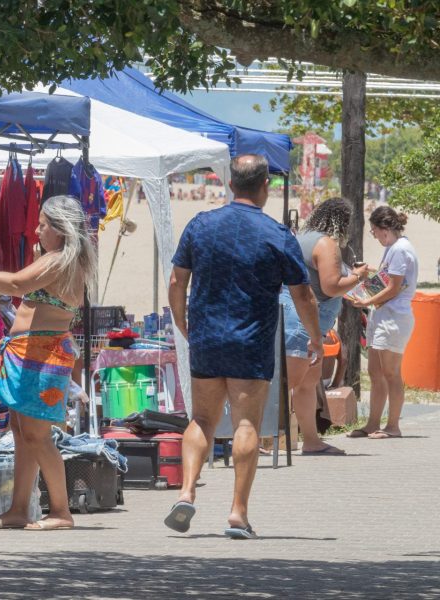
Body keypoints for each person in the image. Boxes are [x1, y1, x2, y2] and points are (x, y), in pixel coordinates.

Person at [164, 155, 321, 540]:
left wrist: (182, 321)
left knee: (201, 419)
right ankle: (237, 513)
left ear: (231, 184)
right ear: (266, 186)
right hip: (251, 340)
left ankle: (186, 492)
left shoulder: (201, 225)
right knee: (246, 424)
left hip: (206, 336)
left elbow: (175, 281)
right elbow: (303, 294)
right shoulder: (277, 234)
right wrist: (315, 336)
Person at [0, 194, 96, 531]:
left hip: (42, 357)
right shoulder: (55, 259)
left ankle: (61, 511)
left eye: (43, 224)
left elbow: (17, 283)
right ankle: (18, 509)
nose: (36, 229)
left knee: (37, 436)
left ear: (60, 228)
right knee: (21, 432)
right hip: (28, 354)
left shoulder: (60, 260)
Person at [281, 198, 369, 455]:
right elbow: (331, 286)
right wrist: (357, 277)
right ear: (342, 222)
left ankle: (311, 440)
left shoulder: (302, 238)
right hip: (303, 324)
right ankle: (262, 439)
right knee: (290, 383)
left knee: (306, 384)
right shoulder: (326, 243)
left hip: (302, 321)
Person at [349, 206, 418, 440]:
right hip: (384, 315)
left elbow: (394, 287)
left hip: (394, 317)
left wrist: (366, 300)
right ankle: (372, 423)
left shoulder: (399, 249)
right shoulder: (394, 248)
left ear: (384, 229)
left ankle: (393, 426)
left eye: (374, 231)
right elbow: (386, 279)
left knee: (391, 372)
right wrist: (366, 278)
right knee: (375, 371)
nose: (375, 236)